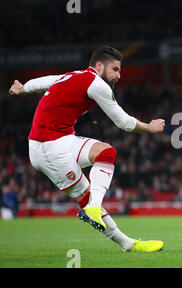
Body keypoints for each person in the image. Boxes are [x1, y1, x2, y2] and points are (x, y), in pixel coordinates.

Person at [8, 46, 165, 252]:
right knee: (86, 196)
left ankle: (124, 241)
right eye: (115, 69)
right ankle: (115, 231)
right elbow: (123, 122)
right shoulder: (97, 84)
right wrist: (149, 127)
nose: (119, 75)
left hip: (61, 139)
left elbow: (45, 81)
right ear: (99, 66)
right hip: (46, 147)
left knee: (106, 152)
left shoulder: (74, 75)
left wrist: (24, 87)